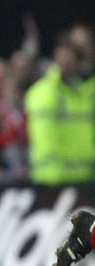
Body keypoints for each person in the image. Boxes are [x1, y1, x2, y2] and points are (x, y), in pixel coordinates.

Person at [24, 39, 95, 185]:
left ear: (79, 63)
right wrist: (54, 178)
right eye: (61, 58)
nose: (64, 64)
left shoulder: (83, 94)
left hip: (83, 178)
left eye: (69, 60)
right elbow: (44, 137)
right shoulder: (43, 93)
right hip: (52, 181)